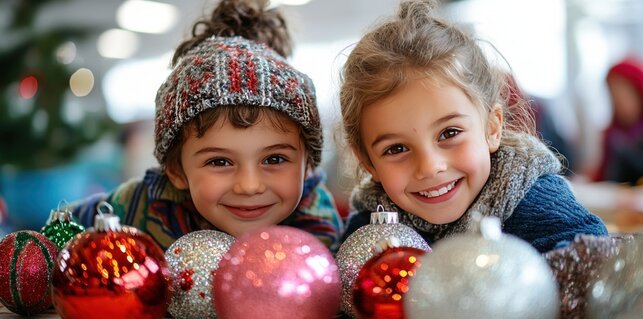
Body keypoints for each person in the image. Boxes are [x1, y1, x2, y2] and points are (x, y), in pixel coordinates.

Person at [70, 0, 342, 250]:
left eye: (274, 158)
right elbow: (59, 231)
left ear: (307, 165)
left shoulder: (316, 226)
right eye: (220, 162)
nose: (249, 185)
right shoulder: (141, 205)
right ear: (176, 170)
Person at [339, 0, 607, 253]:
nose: (430, 167)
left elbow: (591, 264)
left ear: (492, 128)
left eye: (449, 133)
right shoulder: (370, 224)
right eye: (396, 149)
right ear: (368, 162)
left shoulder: (535, 199)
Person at [592, 56, 643, 185]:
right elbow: (603, 176)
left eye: (626, 93)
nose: (619, 101)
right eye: (614, 94)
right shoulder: (611, 135)